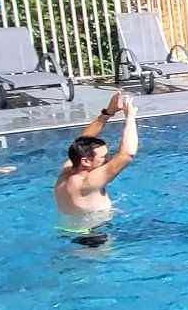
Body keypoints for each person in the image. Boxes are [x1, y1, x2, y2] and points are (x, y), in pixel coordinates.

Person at [54, 92, 140, 238]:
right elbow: (127, 154)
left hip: (68, 229)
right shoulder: (88, 182)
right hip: (93, 236)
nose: (108, 159)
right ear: (86, 161)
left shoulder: (68, 170)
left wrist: (108, 112)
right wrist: (130, 116)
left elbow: (82, 140)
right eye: (103, 157)